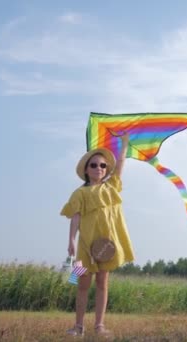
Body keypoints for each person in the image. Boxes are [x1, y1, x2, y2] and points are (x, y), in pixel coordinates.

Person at [60, 133, 135, 337]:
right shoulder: (79, 193)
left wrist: (125, 144)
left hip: (105, 246)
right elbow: (75, 217)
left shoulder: (111, 187)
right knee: (81, 283)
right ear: (86, 169)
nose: (99, 169)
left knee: (103, 282)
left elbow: (120, 164)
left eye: (102, 166)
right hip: (84, 246)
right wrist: (71, 241)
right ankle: (78, 326)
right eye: (93, 165)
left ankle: (99, 325)